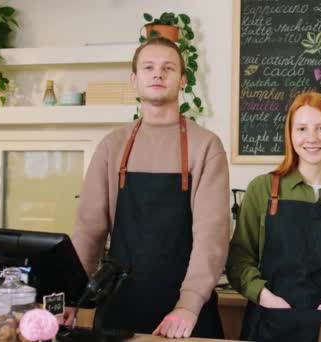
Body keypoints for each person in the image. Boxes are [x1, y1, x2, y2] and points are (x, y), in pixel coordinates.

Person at [71, 37, 229, 339]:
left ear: (182, 80)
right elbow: (88, 229)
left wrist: (189, 304)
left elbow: (212, 235)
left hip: (184, 313)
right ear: (134, 80)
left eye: (168, 68)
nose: (158, 74)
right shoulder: (112, 146)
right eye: (149, 67)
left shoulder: (206, 146)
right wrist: (70, 294)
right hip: (120, 306)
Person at [226, 91, 321, 342]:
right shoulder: (262, 189)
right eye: (302, 129)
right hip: (272, 323)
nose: (312, 138)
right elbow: (239, 260)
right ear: (290, 134)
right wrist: (266, 297)